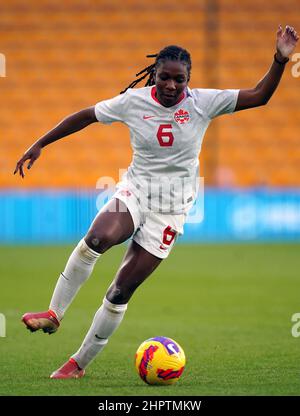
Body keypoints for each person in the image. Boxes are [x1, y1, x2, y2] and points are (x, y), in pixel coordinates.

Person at [14, 25, 298, 379]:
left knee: (120, 290)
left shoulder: (205, 102)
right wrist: (41, 143)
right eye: (164, 77)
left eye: (179, 79)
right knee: (97, 239)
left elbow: (260, 95)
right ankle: (54, 314)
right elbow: (86, 115)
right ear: (154, 75)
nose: (171, 86)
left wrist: (279, 59)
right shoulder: (134, 102)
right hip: (136, 190)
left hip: (171, 209)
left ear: (188, 79)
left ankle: (77, 365)